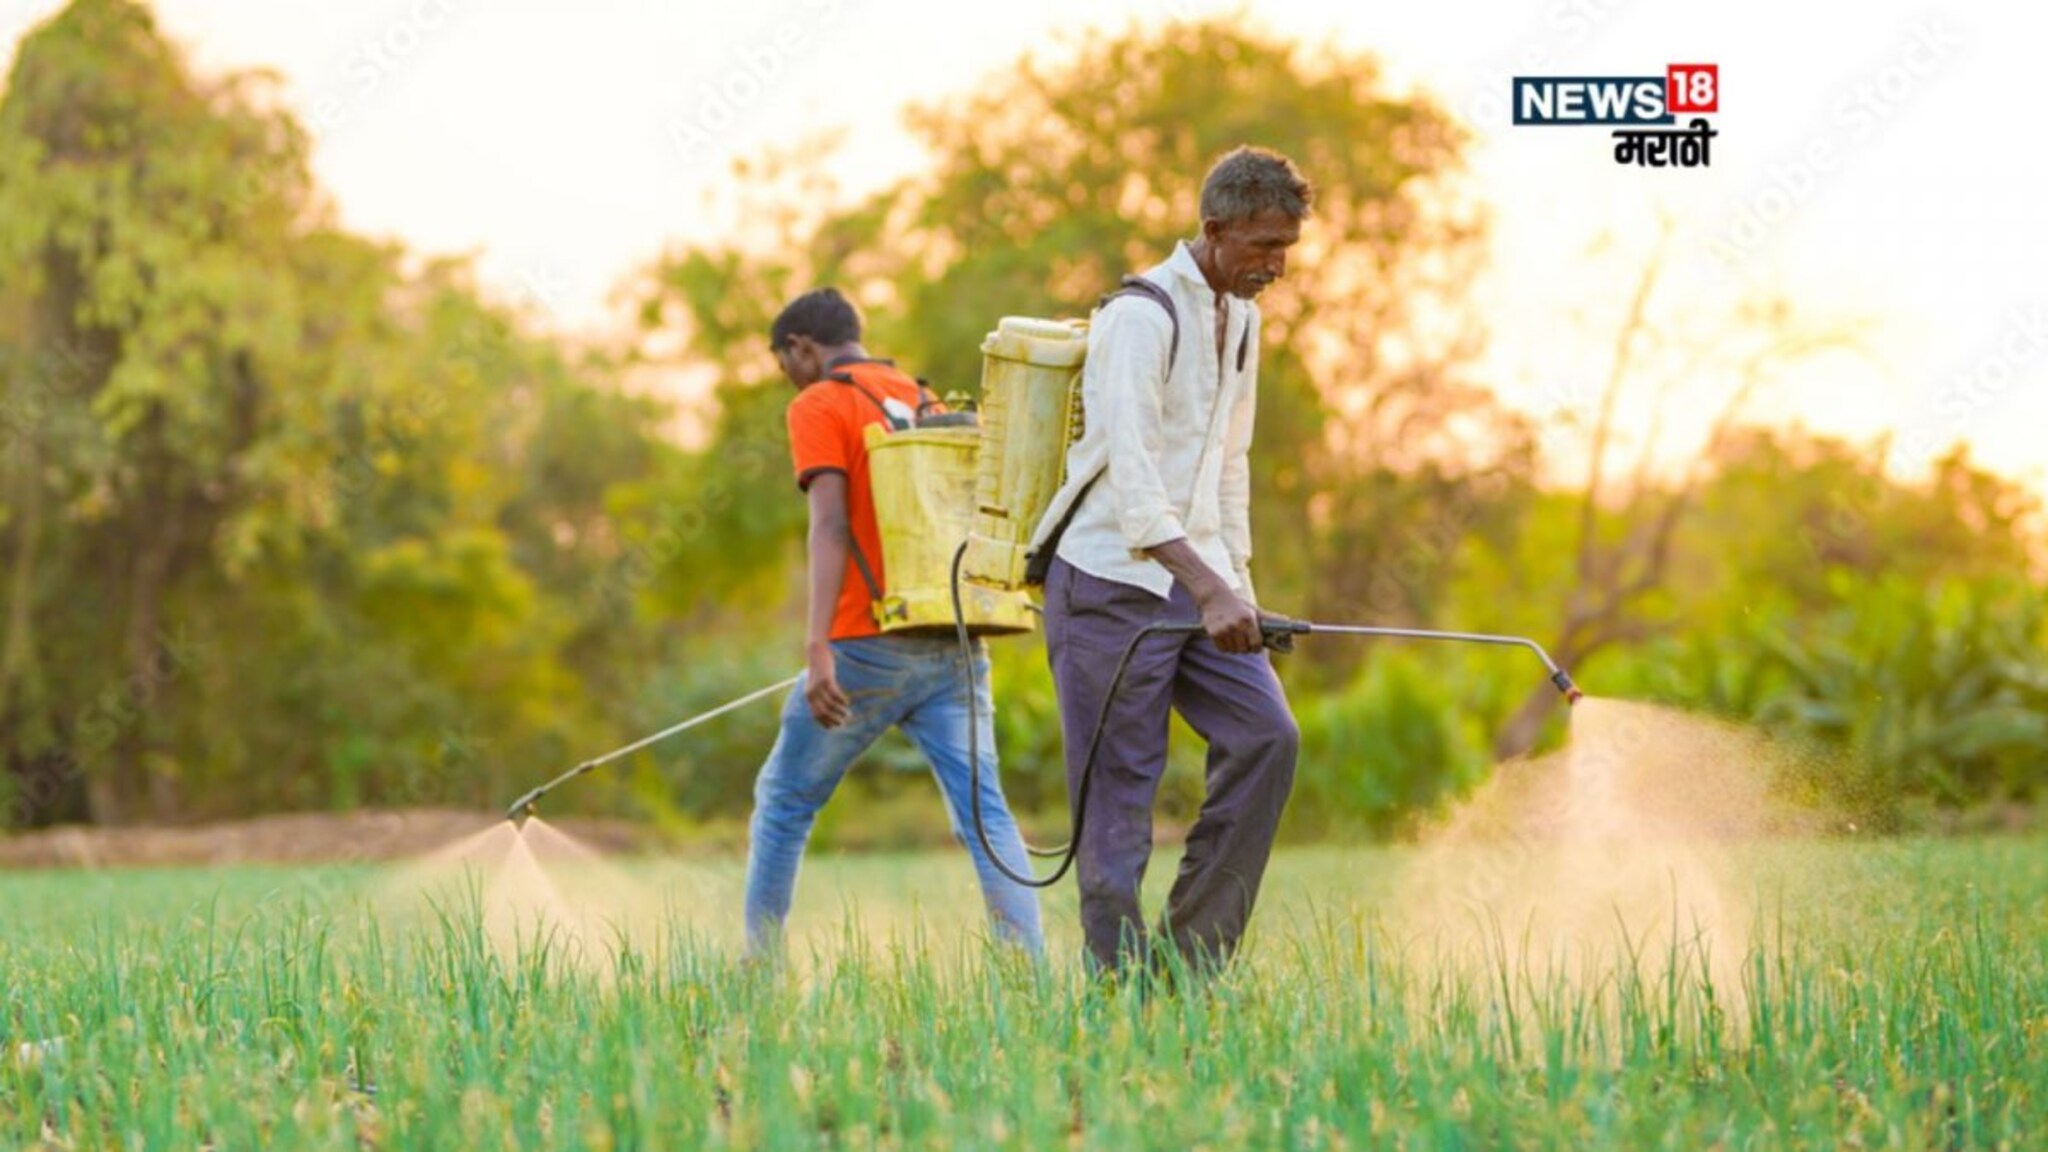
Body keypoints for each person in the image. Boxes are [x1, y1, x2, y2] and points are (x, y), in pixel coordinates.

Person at [1029, 146, 1311, 977]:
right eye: (1262, 246)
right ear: (1214, 229)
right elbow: (1132, 472)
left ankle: (1188, 967)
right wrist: (1208, 589)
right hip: (1108, 584)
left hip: (1196, 580)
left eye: (1287, 248)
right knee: (1118, 798)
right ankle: (1118, 992)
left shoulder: (1245, 320)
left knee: (1268, 737)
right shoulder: (1140, 317)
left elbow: (1229, 465)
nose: (1276, 266)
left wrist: (1242, 598)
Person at [742, 286, 1044, 960]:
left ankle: (756, 972)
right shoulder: (923, 397)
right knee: (986, 816)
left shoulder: (820, 402)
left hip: (867, 640)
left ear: (803, 348)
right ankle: (1030, 974)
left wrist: (818, 645)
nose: (785, 375)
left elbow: (829, 523)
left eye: (782, 360)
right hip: (955, 635)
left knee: (785, 802)